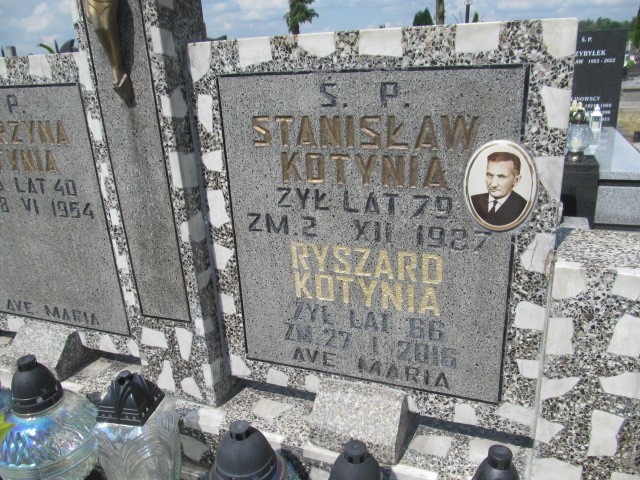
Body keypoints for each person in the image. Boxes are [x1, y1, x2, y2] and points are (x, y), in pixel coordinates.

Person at [471, 151, 527, 227]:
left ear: (516, 180)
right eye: (490, 175)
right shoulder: (473, 201)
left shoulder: (523, 208)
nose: (493, 184)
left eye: (501, 177)